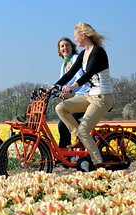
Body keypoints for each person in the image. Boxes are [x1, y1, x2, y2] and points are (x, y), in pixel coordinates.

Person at [54, 22, 114, 171]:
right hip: (90, 96)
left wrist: (72, 87)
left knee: (83, 129)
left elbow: (89, 74)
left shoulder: (98, 52)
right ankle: (79, 138)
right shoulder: (83, 53)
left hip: (103, 96)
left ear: (83, 36)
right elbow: (70, 73)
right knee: (61, 108)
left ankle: (98, 164)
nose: (75, 41)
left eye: (76, 37)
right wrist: (53, 87)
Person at [56, 37, 89, 150]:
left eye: (67, 45)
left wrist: (70, 89)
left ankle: (80, 140)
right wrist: (55, 91)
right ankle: (65, 155)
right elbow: (63, 81)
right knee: (62, 124)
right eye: (62, 46)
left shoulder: (75, 58)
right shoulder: (64, 65)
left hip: (85, 95)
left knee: (63, 124)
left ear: (72, 47)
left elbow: (79, 78)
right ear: (59, 51)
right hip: (77, 97)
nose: (65, 48)